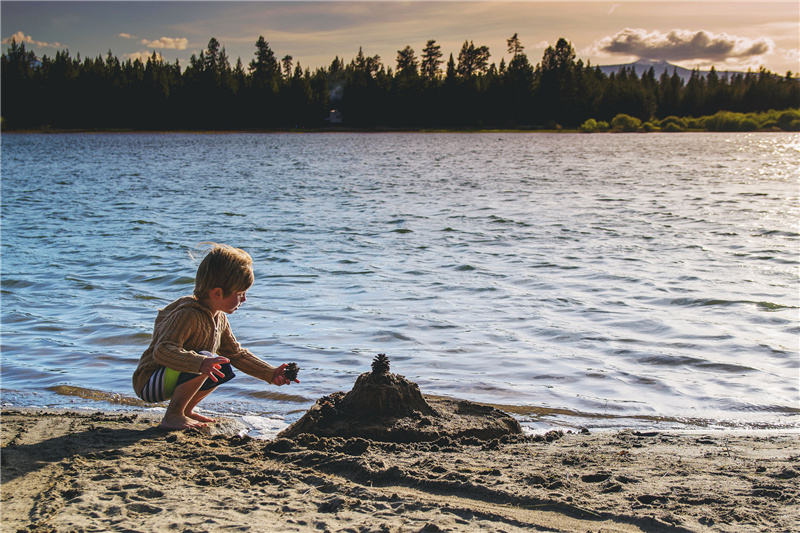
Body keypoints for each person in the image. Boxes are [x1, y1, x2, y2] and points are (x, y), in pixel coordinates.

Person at [132, 243, 297, 430]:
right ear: (217, 293)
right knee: (208, 359)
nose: (244, 300)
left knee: (222, 363)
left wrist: (271, 372)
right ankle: (173, 415)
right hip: (151, 381)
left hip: (173, 378)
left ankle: (185, 410)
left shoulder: (219, 318)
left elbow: (237, 354)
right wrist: (200, 362)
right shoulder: (187, 314)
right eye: (240, 294)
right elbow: (162, 351)